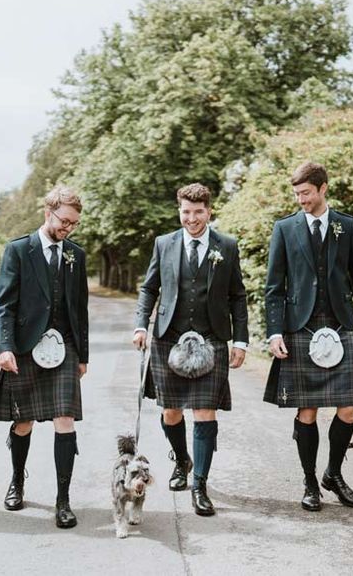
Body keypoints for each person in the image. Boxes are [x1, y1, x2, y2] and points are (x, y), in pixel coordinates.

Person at [263, 161, 353, 511]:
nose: (301, 200)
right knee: (308, 410)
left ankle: (332, 473)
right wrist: (274, 332)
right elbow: (273, 288)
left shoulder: (347, 226)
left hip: (341, 325)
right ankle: (310, 482)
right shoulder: (285, 229)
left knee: (348, 408)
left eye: (306, 193)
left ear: (323, 188)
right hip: (301, 326)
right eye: (297, 194)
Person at [133, 183, 248, 516]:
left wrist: (240, 340)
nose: (192, 218)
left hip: (211, 339)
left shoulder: (226, 245)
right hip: (168, 337)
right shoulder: (163, 244)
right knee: (171, 412)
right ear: (179, 211)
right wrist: (141, 324)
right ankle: (182, 460)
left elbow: (237, 296)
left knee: (203, 411)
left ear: (208, 211)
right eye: (186, 212)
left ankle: (199, 485)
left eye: (198, 212)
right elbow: (149, 288)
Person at [0, 185, 88, 529]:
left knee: (65, 419)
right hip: (26, 347)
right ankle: (17, 480)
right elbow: (3, 304)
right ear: (48, 212)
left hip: (64, 348)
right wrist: (5, 346)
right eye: (64, 221)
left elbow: (80, 308)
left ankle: (63, 500)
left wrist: (82, 355)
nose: (68, 228)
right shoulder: (18, 250)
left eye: (73, 224)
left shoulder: (76, 255)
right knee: (24, 421)